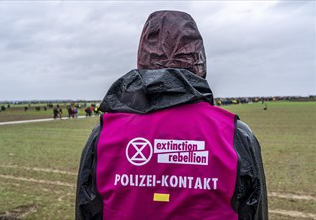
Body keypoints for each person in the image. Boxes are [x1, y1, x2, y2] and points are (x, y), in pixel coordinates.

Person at [76, 10, 268, 220]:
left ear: (142, 59)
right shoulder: (235, 134)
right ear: (199, 61)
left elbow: (86, 211)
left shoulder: (104, 135)